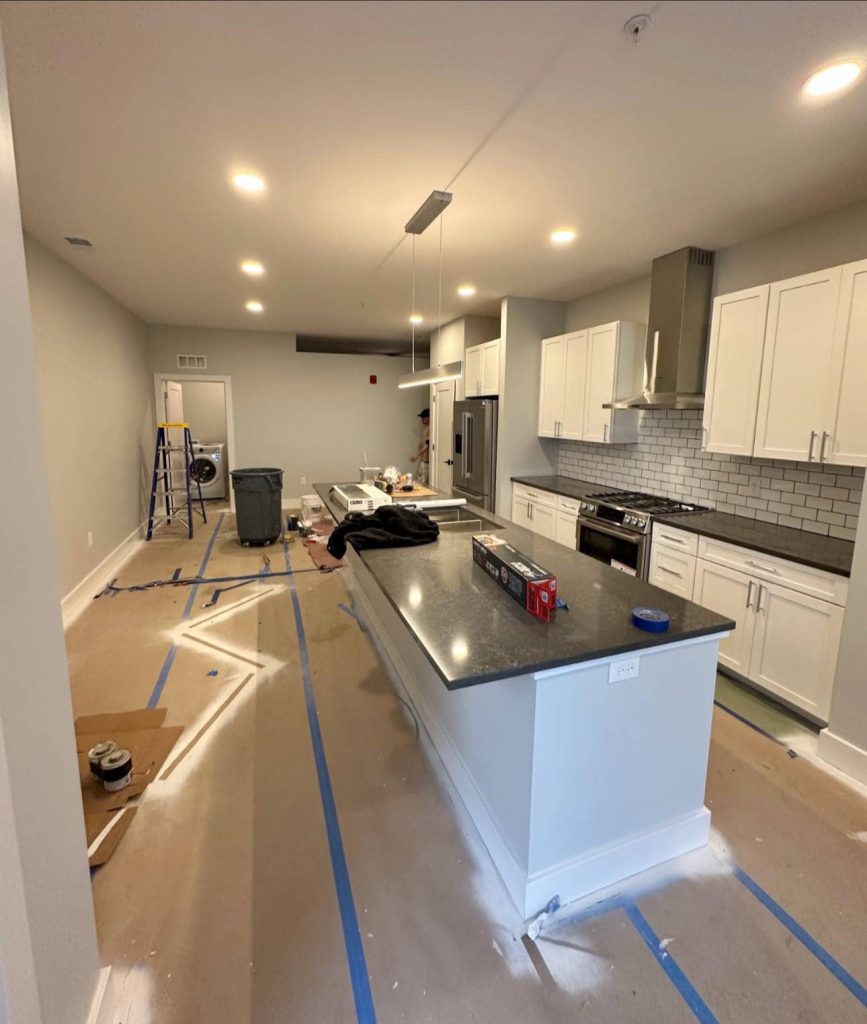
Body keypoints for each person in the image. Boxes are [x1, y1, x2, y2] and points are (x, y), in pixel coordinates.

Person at [409, 408, 430, 485]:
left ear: (429, 417)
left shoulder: (431, 428)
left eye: (424, 417)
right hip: (423, 460)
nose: (422, 419)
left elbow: (428, 444)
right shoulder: (425, 428)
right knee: (419, 481)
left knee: (423, 483)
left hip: (428, 461)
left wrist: (417, 455)